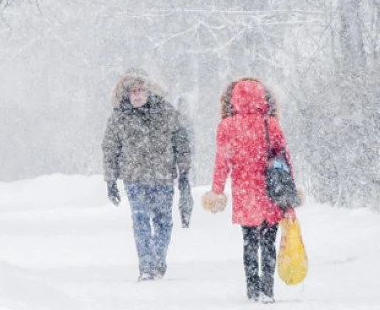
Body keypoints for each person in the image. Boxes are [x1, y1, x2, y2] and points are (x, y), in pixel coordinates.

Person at [204, 78, 296, 303]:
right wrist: (290, 190)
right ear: (263, 98)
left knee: (249, 242)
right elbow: (284, 159)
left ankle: (252, 289)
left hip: (245, 192)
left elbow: (222, 162)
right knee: (268, 243)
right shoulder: (271, 123)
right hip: (270, 190)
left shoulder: (227, 126)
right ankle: (268, 290)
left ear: (233, 99)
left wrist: (217, 190)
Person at [102, 71, 192, 281]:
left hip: (162, 177)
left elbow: (181, 141)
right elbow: (110, 148)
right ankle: (146, 267)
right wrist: (110, 180)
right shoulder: (119, 117)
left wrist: (184, 170)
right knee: (141, 221)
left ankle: (158, 260)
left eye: (141, 90)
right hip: (135, 179)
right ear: (127, 95)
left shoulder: (166, 112)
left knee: (163, 221)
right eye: (133, 91)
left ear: (148, 91)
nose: (137, 95)